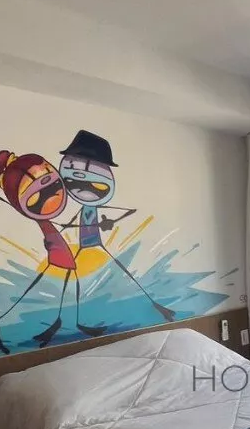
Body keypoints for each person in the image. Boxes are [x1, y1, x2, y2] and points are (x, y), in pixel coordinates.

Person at [0, 150, 101, 353]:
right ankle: (1, 322)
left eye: (52, 184)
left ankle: (61, 322)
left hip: (56, 243)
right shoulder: (32, 219)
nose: (52, 192)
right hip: (55, 245)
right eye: (36, 196)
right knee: (58, 281)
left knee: (70, 278)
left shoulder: (45, 218)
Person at [58, 130, 175, 324]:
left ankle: (156, 306)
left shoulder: (93, 207)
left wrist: (107, 223)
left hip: (94, 242)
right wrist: (67, 225)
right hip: (85, 244)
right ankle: (70, 318)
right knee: (72, 276)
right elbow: (81, 220)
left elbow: (110, 219)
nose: (81, 180)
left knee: (121, 269)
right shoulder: (86, 207)